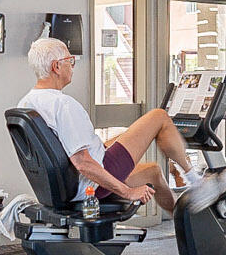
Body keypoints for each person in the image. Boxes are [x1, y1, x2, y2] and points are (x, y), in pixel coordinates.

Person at [19, 37, 199, 211]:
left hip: (67, 186)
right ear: (56, 66)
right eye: (69, 60)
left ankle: (184, 226)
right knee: (159, 117)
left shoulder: (27, 102)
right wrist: (128, 192)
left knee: (153, 171)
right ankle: (195, 181)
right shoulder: (62, 104)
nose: (72, 66)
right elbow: (82, 163)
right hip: (91, 182)